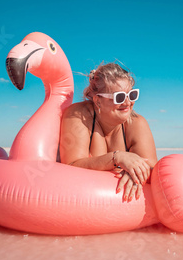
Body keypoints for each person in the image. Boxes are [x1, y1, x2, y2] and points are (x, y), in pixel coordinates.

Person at [60, 62, 157, 202]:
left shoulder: (136, 123)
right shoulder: (79, 115)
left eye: (132, 95)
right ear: (98, 101)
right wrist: (117, 158)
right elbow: (71, 166)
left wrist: (136, 173)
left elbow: (152, 170)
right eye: (119, 97)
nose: (128, 102)